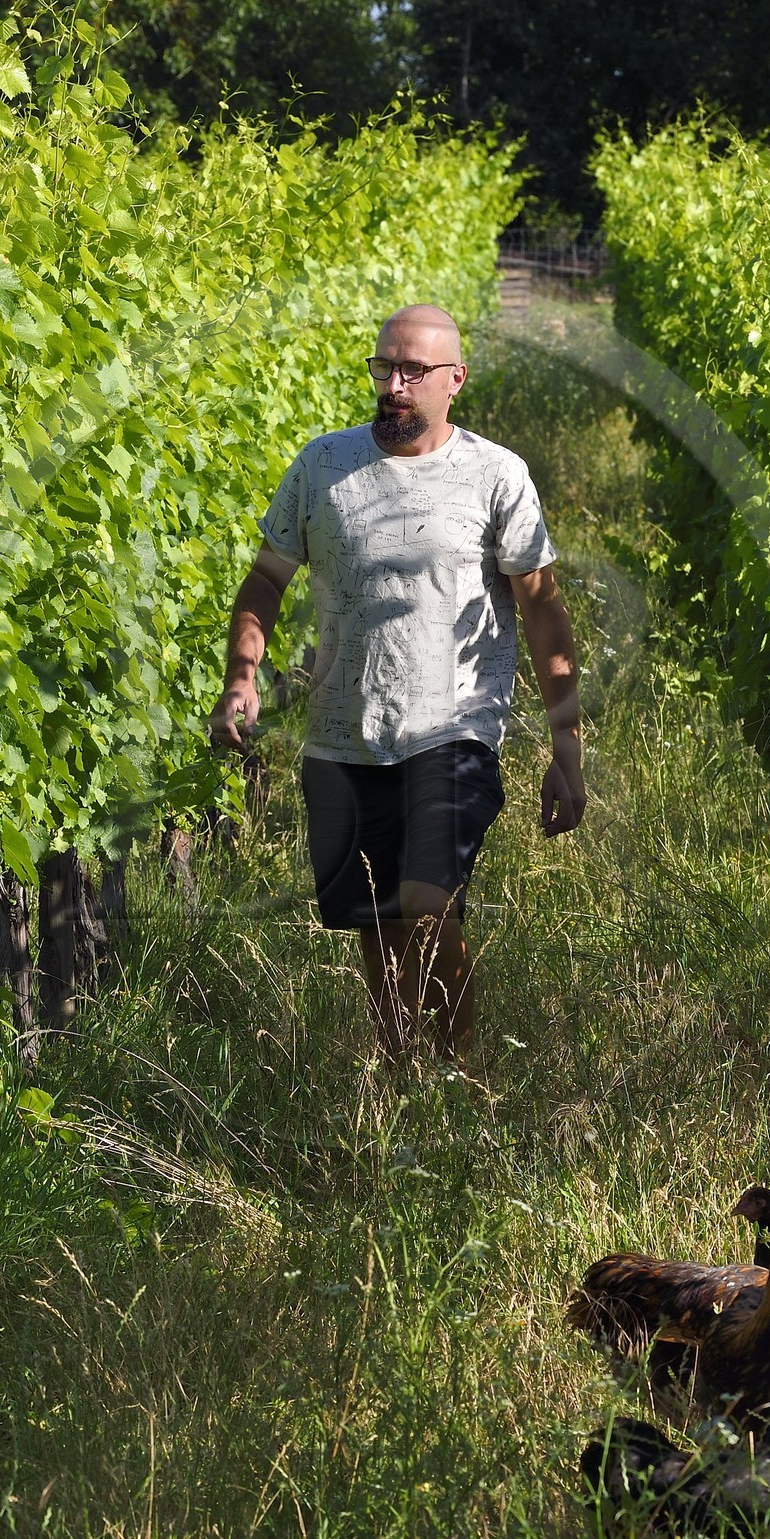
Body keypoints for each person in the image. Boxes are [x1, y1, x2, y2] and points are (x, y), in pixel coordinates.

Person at [208, 302, 585, 1061]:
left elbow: (542, 610)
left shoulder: (495, 475)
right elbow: (266, 580)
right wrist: (241, 676)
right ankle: (400, 1073)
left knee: (427, 903)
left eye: (414, 370)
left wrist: (565, 742)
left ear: (455, 381)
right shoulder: (322, 466)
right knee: (377, 924)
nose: (395, 384)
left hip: (454, 729)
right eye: (385, 367)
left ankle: (457, 1073)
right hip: (343, 735)